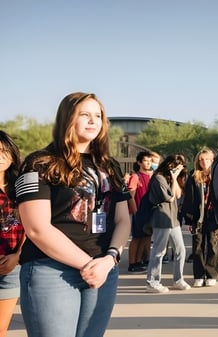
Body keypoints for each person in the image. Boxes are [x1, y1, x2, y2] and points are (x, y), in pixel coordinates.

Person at [15, 92, 131, 337]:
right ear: (68, 118)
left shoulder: (111, 166)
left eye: (98, 116)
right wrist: (88, 265)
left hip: (103, 270)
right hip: (52, 271)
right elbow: (37, 229)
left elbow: (123, 220)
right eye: (84, 115)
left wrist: (109, 260)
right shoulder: (39, 162)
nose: (93, 121)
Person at [145, 154, 190, 293]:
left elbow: (177, 195)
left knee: (180, 250)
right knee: (159, 251)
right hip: (161, 218)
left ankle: (178, 279)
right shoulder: (159, 178)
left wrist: (175, 179)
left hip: (172, 219)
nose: (177, 169)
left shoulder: (171, 178)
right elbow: (169, 198)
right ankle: (152, 281)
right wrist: (174, 178)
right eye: (175, 166)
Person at [181, 148, 218, 287]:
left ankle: (211, 274)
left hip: (213, 216)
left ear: (212, 160)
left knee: (213, 245)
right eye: (202, 159)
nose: (204, 162)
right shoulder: (194, 176)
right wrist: (189, 218)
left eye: (207, 159)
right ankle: (198, 275)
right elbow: (189, 199)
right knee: (197, 246)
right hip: (197, 217)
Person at [0, 131, 24, 337]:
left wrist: (17, 257)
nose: (1, 156)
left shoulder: (21, 188)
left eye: (4, 151)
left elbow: (31, 226)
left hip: (11, 267)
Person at [127, 151, 154, 273]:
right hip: (138, 212)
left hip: (149, 212)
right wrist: (136, 212)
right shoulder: (135, 177)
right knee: (136, 238)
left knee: (146, 237)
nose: (148, 163)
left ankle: (139, 261)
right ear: (139, 162)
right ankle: (132, 263)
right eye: (145, 160)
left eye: (150, 161)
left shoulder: (152, 176)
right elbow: (130, 196)